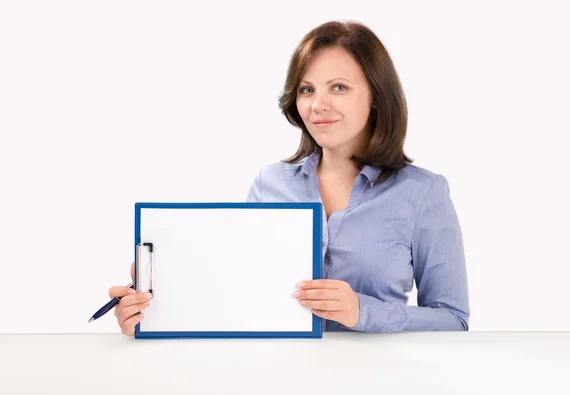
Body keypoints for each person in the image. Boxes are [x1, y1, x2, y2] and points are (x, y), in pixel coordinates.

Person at [109, 20, 470, 336]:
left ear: (376, 95)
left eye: (339, 87)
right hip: (279, 377)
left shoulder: (423, 194)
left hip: (379, 381)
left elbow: (453, 320)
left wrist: (364, 313)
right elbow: (234, 291)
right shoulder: (270, 185)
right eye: (307, 89)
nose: (318, 105)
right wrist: (150, 309)